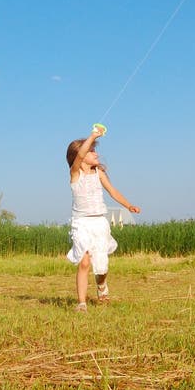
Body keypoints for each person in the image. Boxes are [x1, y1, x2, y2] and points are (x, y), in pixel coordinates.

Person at [66, 129, 141, 312]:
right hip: (81, 223)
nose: (96, 153)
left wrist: (128, 205)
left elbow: (112, 191)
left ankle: (101, 286)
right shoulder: (75, 173)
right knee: (84, 262)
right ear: (80, 156)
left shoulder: (98, 173)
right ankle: (82, 303)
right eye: (92, 151)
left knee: (101, 266)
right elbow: (82, 153)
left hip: (99, 222)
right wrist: (93, 136)